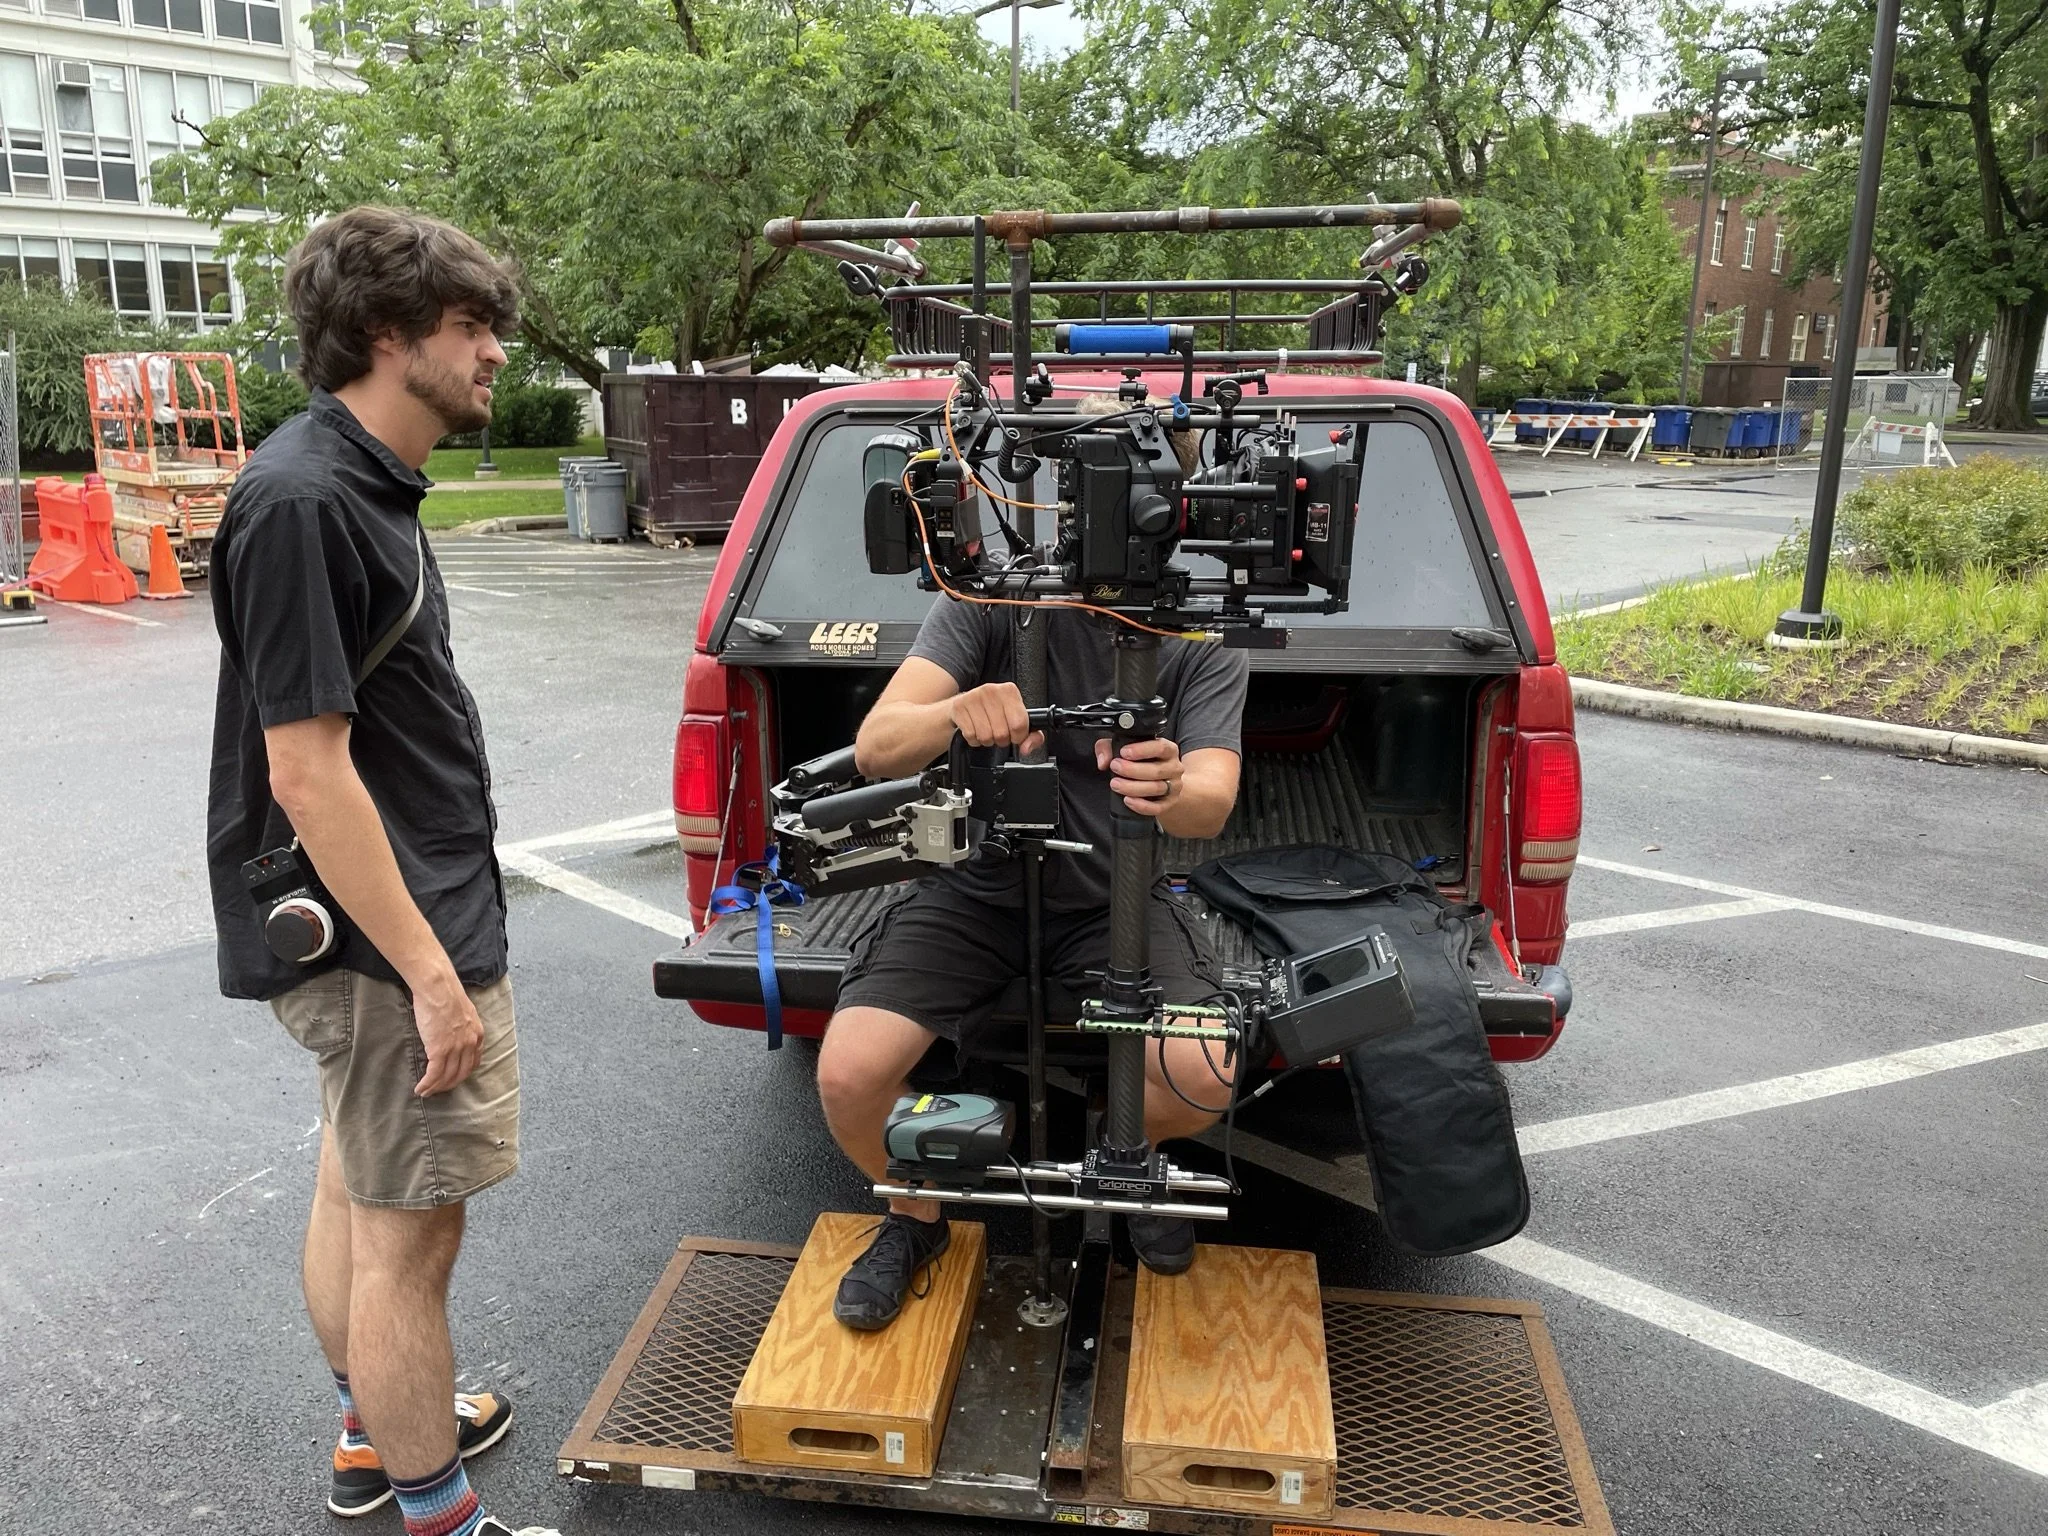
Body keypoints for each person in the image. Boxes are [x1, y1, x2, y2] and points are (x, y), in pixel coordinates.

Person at [206, 206, 556, 1536]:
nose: (492, 356)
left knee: (355, 1187)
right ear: (384, 336)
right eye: (472, 329)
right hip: (383, 946)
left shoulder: (355, 484)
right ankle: (441, 1514)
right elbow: (306, 771)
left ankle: (375, 1425)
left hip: (396, 925)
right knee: (411, 1243)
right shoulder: (302, 502)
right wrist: (431, 977)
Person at [817, 550, 1250, 1329]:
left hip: (1111, 896)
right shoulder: (990, 600)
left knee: (1203, 1073)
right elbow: (879, 744)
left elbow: (1212, 803)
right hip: (972, 891)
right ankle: (916, 1217)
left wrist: (1171, 787)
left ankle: (1126, 1142)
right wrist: (955, 711)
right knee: (849, 1077)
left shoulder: (1197, 625)